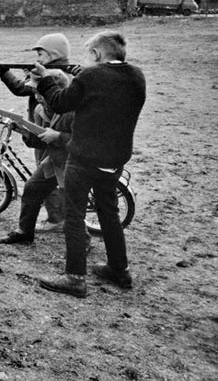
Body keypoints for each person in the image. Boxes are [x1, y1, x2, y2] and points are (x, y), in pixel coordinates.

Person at [34, 31, 146, 298]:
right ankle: (120, 269)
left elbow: (60, 102)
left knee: (74, 216)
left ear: (96, 54)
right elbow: (103, 86)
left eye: (90, 55)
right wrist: (80, 73)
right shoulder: (136, 76)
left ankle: (74, 278)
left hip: (84, 159)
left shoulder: (90, 77)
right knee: (109, 214)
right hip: (114, 160)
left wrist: (45, 80)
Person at [0, 33, 75, 233]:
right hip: (45, 128)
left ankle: (56, 218)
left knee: (48, 177)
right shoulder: (54, 73)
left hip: (53, 132)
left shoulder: (54, 76)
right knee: (45, 177)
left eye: (41, 53)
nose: (37, 58)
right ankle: (55, 217)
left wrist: (5, 72)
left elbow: (20, 89)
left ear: (55, 53)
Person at [0, 81, 75, 245]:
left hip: (73, 162)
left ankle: (83, 241)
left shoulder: (73, 110)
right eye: (35, 93)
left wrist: (58, 136)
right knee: (32, 188)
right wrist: (22, 130)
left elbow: (85, 141)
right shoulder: (44, 110)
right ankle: (25, 231)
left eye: (41, 93)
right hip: (55, 159)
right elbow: (40, 141)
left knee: (73, 204)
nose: (38, 97)